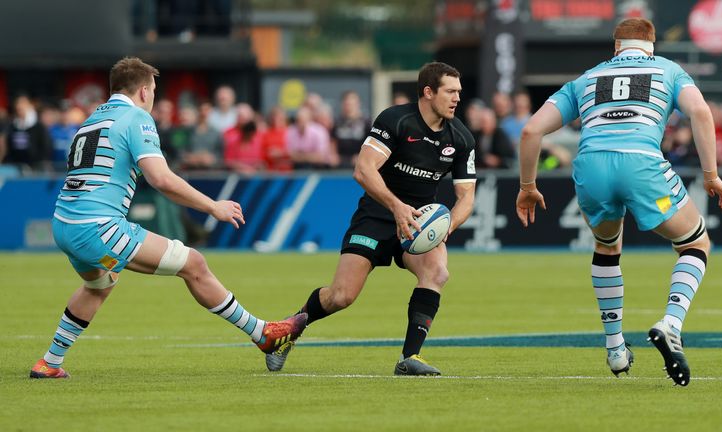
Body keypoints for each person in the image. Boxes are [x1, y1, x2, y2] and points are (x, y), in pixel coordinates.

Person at [29, 57, 306, 379]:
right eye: (155, 90)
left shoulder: (91, 120)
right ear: (144, 91)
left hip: (64, 223)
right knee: (194, 264)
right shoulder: (135, 118)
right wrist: (212, 206)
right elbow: (160, 179)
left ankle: (49, 362)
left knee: (99, 285)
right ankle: (264, 336)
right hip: (98, 226)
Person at [515, 19, 722, 386]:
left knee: (607, 246)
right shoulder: (667, 69)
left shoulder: (587, 77)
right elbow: (701, 113)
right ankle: (671, 324)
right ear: (652, 46)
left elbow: (532, 130)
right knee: (695, 243)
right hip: (640, 162)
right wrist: (710, 176)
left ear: (615, 47)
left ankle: (615, 350)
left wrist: (527, 185)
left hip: (592, 167)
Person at [264, 62, 476, 376]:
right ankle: (292, 327)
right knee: (342, 296)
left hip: (418, 222)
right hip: (376, 214)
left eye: (459, 91)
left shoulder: (461, 137)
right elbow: (363, 170)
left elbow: (466, 197)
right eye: (450, 91)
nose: (457, 98)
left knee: (437, 273)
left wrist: (447, 228)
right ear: (428, 92)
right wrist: (396, 206)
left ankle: (410, 358)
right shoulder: (396, 120)